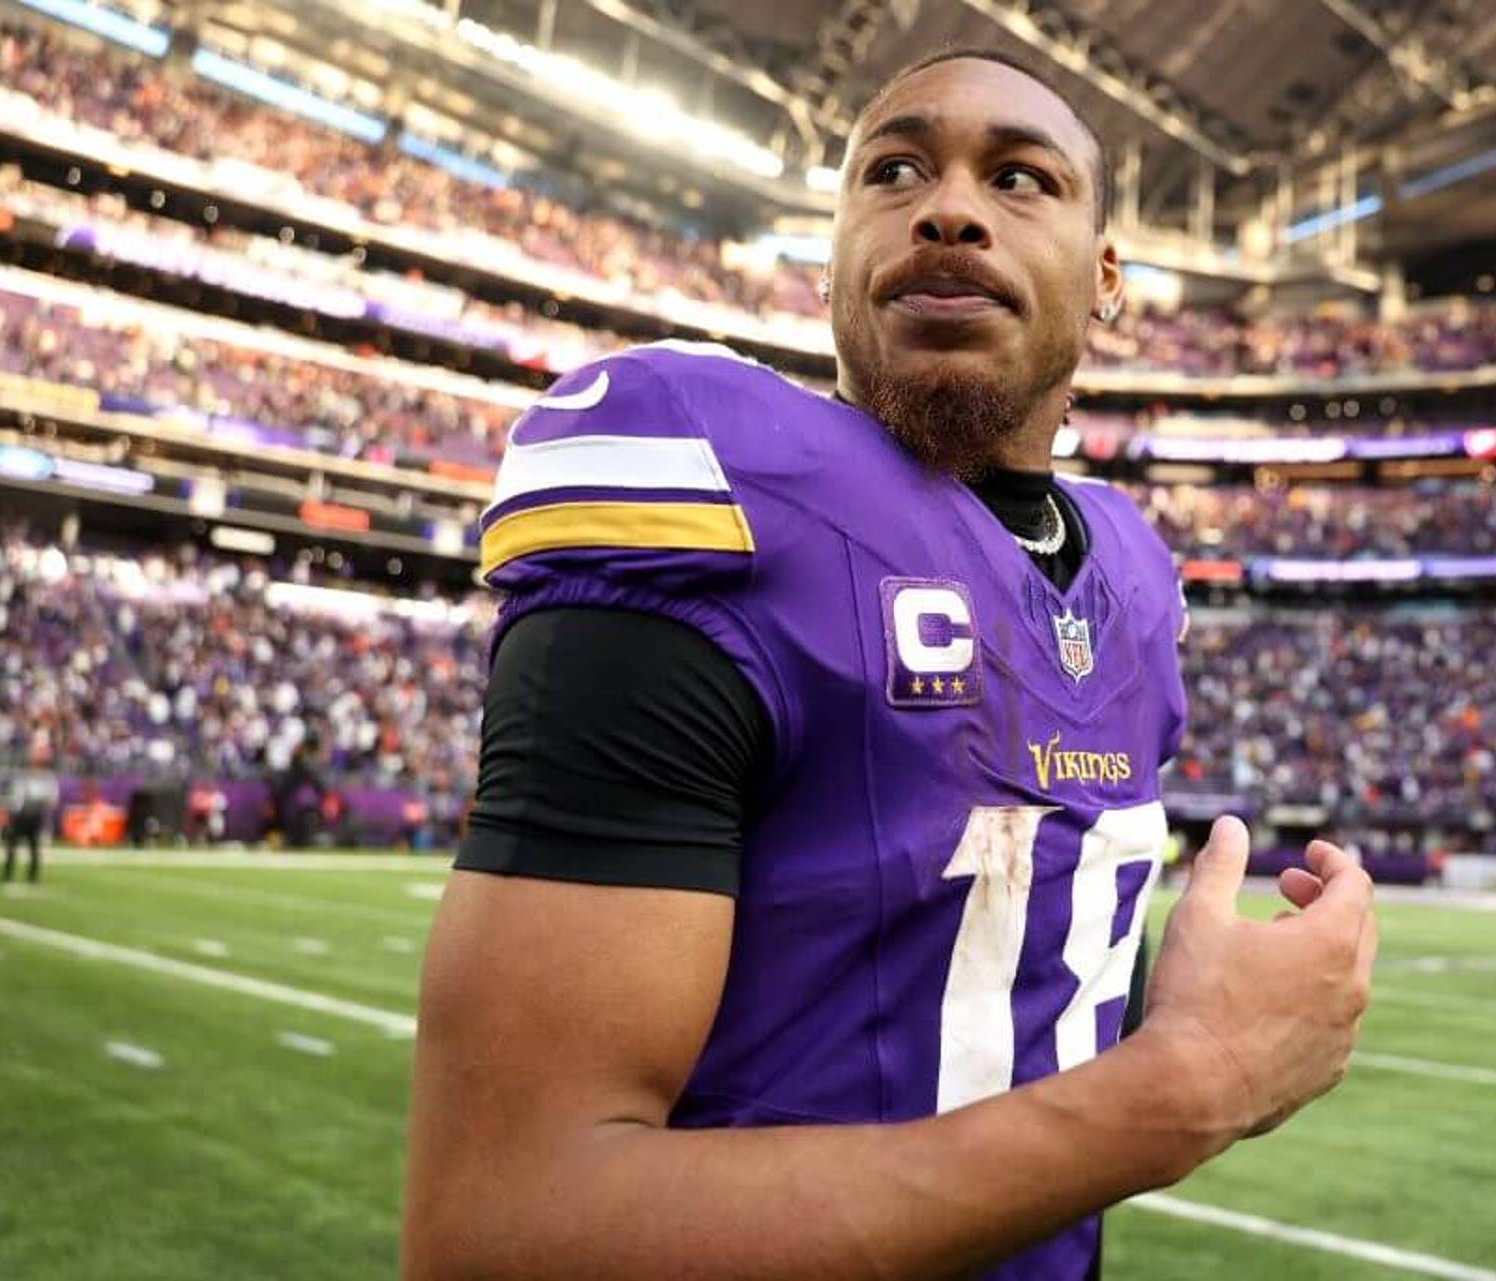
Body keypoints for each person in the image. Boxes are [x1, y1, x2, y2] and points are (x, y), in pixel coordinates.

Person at [403, 49, 1377, 1281]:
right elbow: (503, 1230)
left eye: (1021, 179)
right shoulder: (711, 488)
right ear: (834, 258)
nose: (950, 206)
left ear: (1108, 280)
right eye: (895, 169)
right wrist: (1187, 1085)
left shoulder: (1135, 581)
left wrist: (1186, 1018)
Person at [0, 760, 58, 884]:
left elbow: (51, 801)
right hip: (20, 817)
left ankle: (32, 876)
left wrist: (44, 802)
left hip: (35, 817)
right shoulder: (21, 780)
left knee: (34, 848)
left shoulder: (46, 782)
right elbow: (15, 800)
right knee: (11, 846)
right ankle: (7, 874)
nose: (35, 770)